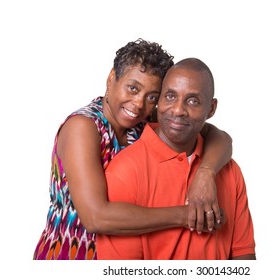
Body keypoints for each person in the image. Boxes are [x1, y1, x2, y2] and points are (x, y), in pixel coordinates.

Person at [33, 39, 233, 260]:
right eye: (133, 88)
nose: (139, 104)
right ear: (111, 79)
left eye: (152, 97)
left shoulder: (142, 121)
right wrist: (188, 215)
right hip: (71, 256)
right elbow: (95, 217)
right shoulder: (83, 127)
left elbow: (219, 137)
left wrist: (205, 173)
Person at [97, 58, 256, 260]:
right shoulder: (125, 171)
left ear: (211, 109)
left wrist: (206, 172)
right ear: (159, 102)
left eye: (192, 101)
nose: (178, 110)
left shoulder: (228, 169)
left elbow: (244, 256)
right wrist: (187, 215)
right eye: (170, 96)